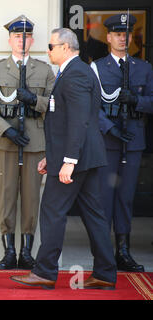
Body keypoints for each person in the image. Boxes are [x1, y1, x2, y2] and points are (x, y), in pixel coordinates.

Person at [10, 28, 117, 290]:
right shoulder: (72, 72)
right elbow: (63, 121)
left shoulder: (76, 73)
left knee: (52, 211)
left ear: (66, 47)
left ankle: (45, 271)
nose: (47, 50)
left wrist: (68, 160)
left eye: (50, 45)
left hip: (77, 159)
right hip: (83, 157)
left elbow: (79, 121)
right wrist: (52, 156)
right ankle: (105, 273)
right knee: (94, 215)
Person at [0, 15, 55, 270]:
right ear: (10, 39)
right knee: (7, 196)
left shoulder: (44, 70)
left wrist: (34, 100)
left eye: (26, 36)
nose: (22, 40)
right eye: (17, 36)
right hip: (6, 143)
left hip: (35, 142)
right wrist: (5, 130)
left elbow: (55, 105)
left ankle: (27, 252)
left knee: (32, 198)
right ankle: (9, 251)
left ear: (32, 40)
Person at [92, 13, 153, 272]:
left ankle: (123, 252)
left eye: (126, 34)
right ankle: (103, 254)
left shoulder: (144, 68)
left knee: (125, 198)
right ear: (108, 37)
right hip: (108, 141)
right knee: (104, 198)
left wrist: (136, 102)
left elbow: (151, 100)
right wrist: (109, 129)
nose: (122, 38)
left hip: (133, 140)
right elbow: (91, 106)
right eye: (117, 34)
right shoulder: (97, 67)